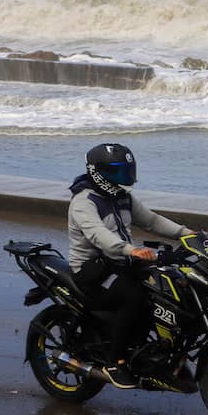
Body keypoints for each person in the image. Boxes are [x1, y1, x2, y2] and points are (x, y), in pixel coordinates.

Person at [67, 143, 192, 389]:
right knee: (134, 296)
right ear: (98, 172)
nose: (122, 176)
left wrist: (188, 234)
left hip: (121, 263)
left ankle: (156, 353)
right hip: (92, 270)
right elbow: (99, 236)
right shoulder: (84, 202)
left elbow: (152, 220)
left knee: (167, 289)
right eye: (116, 171)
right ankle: (115, 361)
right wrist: (131, 250)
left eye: (125, 170)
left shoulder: (121, 197)